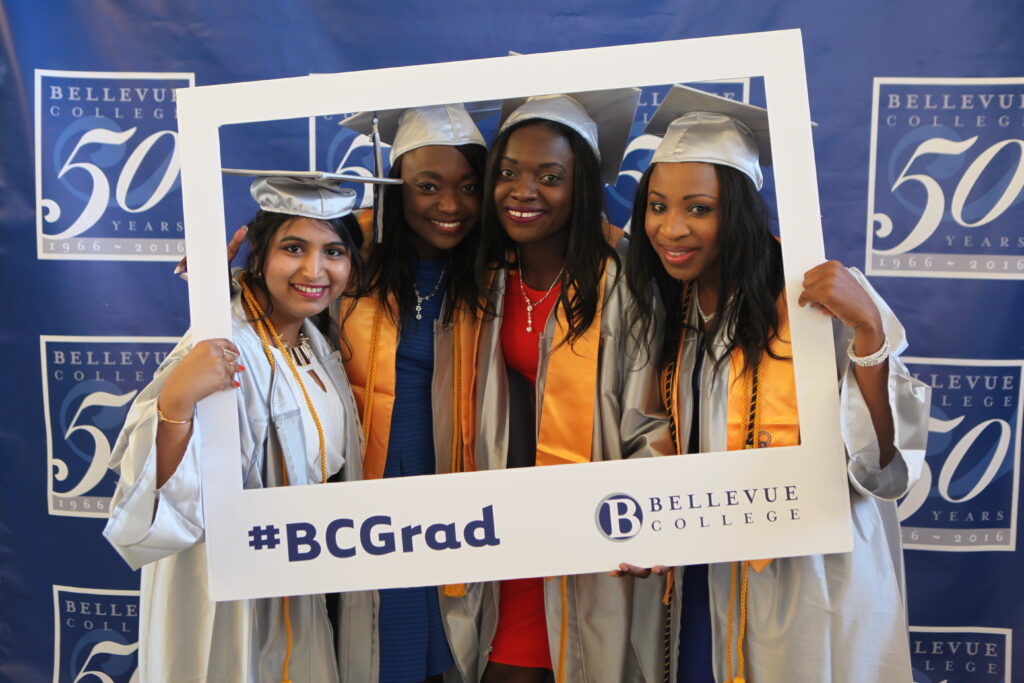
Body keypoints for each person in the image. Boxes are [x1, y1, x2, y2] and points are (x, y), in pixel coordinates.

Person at [619, 85, 930, 683]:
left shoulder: (823, 300)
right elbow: (651, 434)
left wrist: (868, 330)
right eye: (657, 205)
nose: (671, 228)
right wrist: (646, 522)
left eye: (699, 208)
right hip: (703, 582)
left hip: (810, 576)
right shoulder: (665, 307)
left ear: (736, 209)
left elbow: (894, 466)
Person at [103, 173, 382, 682]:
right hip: (223, 593)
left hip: (296, 583)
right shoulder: (222, 346)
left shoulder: (316, 344)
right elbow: (155, 512)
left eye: (334, 251)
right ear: (260, 255)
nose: (314, 269)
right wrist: (176, 403)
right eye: (293, 248)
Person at [472, 90, 673, 683]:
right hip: (495, 523)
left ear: (581, 186)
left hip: (588, 525)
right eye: (507, 173)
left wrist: (647, 519)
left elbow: (650, 417)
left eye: (549, 176)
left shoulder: (623, 282)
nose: (523, 190)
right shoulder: (484, 273)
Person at [335, 103, 489, 683]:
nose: (449, 206)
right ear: (395, 188)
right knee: (383, 645)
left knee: (447, 648)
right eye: (427, 187)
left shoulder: (494, 269)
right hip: (369, 485)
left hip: (454, 484)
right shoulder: (346, 260)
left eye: (468, 187)